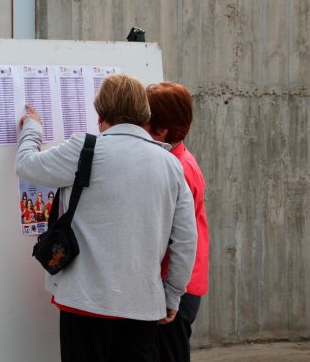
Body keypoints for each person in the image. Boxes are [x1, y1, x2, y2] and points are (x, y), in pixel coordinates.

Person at [15, 74, 197, 362]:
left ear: (100, 115)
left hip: (84, 303)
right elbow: (186, 240)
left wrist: (32, 129)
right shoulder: (170, 165)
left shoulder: (84, 149)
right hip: (143, 307)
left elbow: (26, 165)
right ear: (144, 113)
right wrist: (173, 295)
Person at [145, 82, 210, 362]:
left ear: (160, 131)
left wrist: (169, 295)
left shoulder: (176, 169)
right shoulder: (180, 158)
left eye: (141, 122)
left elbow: (180, 239)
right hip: (183, 283)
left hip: (175, 287)